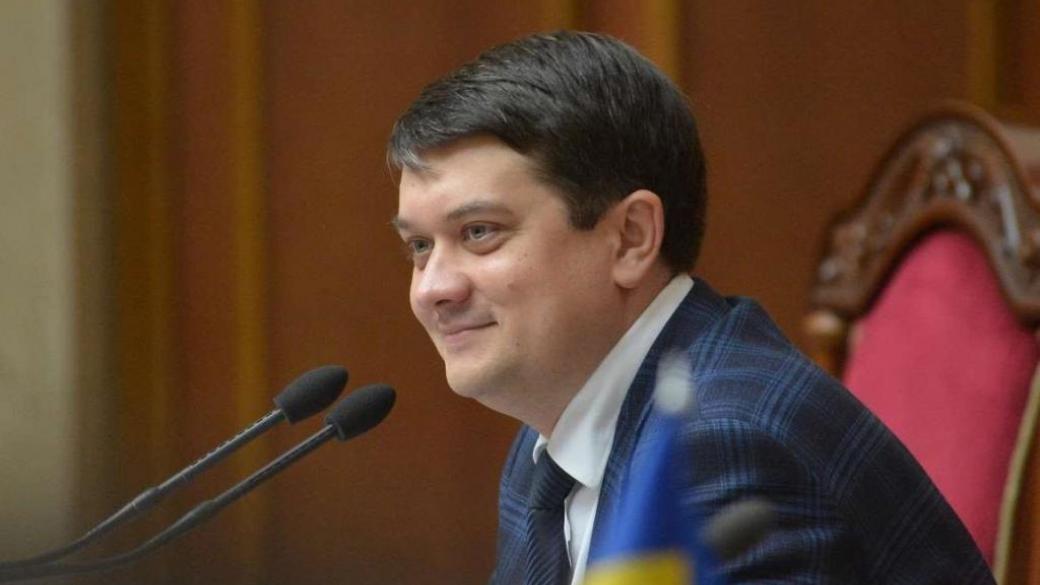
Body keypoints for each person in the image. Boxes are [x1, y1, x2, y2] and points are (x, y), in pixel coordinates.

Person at [387, 30, 993, 584]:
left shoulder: (722, 443)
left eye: (480, 233)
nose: (433, 288)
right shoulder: (550, 448)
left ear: (630, 238)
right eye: (419, 246)